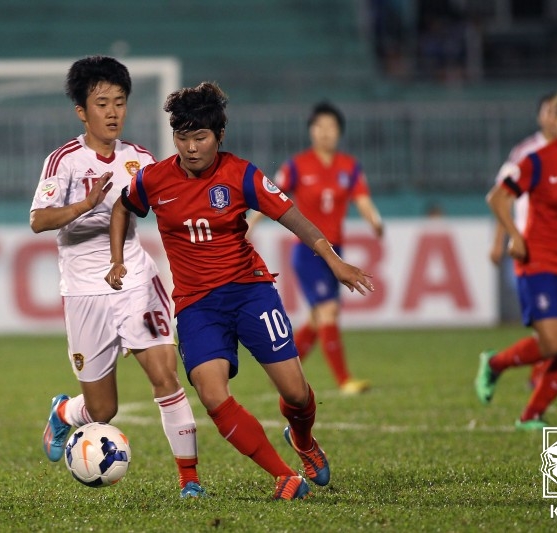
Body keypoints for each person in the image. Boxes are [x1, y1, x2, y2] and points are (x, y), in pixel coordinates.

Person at [106, 82, 374, 499]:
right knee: (213, 395)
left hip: (250, 292)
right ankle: (283, 475)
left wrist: (333, 260)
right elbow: (123, 206)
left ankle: (303, 440)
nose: (191, 147)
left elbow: (293, 217)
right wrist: (117, 258)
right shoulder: (155, 179)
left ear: (219, 136)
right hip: (197, 305)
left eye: (201, 137)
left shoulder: (241, 174)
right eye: (182, 137)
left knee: (297, 394)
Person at [29, 56, 204, 498]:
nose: (112, 112)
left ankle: (190, 481)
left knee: (165, 375)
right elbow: (38, 220)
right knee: (103, 409)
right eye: (101, 102)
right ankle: (66, 413)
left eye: (119, 102)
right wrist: (82, 207)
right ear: (82, 112)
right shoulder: (64, 161)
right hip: (84, 292)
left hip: (136, 280)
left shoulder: (141, 159)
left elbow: (171, 208)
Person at [478, 73, 557, 430]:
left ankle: (530, 415)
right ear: (556, 121)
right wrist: (513, 236)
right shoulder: (537, 160)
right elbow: (497, 198)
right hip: (536, 261)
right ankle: (494, 364)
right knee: (552, 343)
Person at [250, 102, 383, 394]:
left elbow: (363, 199)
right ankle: (344, 380)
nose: (325, 133)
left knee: (316, 318)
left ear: (339, 132)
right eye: (319, 127)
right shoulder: (298, 165)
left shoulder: (349, 166)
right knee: (328, 311)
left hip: (336, 253)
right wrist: (251, 224)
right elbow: (271, 194)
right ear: (311, 131)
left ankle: (281, 372)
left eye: (331, 127)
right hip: (307, 251)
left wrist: (375, 221)